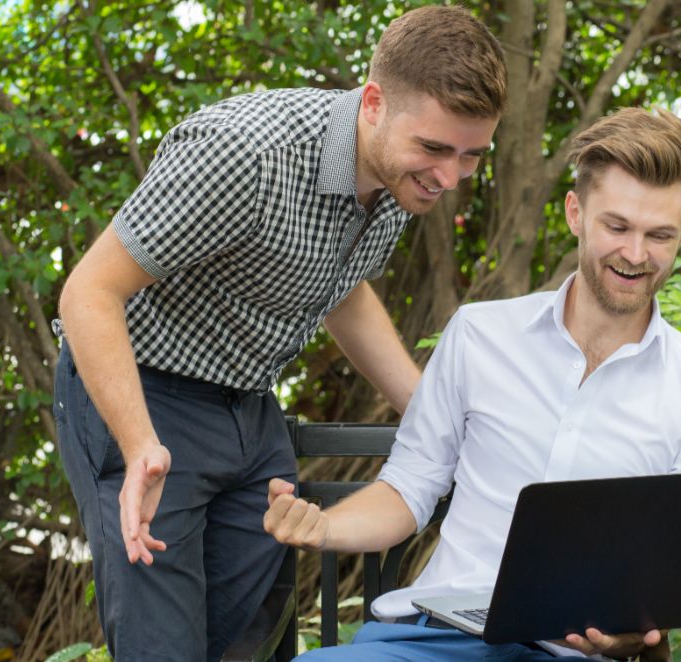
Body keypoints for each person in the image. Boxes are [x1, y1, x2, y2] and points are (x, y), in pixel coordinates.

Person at [52, 7, 506, 660]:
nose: (450, 176)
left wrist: (433, 409)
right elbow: (89, 293)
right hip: (144, 399)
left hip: (250, 412)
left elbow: (343, 290)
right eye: (435, 149)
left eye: (471, 155)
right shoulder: (245, 152)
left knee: (249, 645)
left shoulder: (400, 181)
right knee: (164, 649)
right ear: (374, 103)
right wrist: (138, 441)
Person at [265, 107, 681, 661]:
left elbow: (672, 577)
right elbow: (409, 489)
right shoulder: (479, 335)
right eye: (616, 227)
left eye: (658, 235)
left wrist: (632, 636)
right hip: (436, 639)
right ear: (575, 213)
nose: (635, 255)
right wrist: (321, 528)